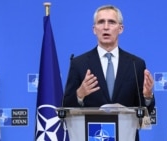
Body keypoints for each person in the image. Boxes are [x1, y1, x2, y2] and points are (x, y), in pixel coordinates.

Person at [62, 4, 155, 141]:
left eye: (111, 22)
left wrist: (147, 96)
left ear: (120, 28)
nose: (106, 27)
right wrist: (79, 94)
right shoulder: (79, 64)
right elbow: (65, 108)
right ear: (94, 29)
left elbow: (144, 111)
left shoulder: (136, 64)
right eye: (101, 22)